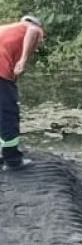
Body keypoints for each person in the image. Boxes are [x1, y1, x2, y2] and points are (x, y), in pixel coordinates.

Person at [0, 15, 44, 171]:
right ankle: (12, 160)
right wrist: (24, 60)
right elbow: (33, 31)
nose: (38, 44)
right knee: (8, 116)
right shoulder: (31, 28)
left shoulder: (6, 29)